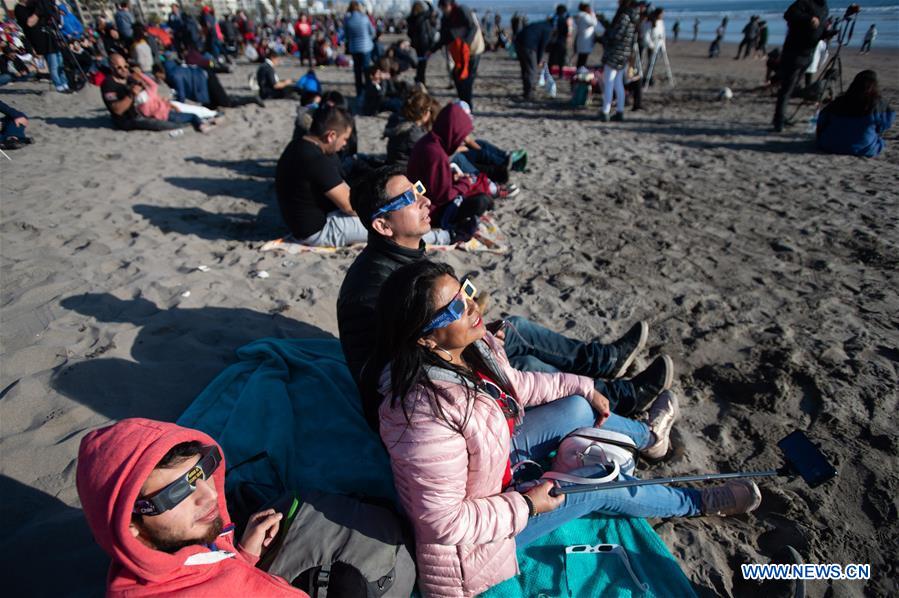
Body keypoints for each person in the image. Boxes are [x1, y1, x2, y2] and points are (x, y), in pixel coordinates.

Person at [369, 260, 762, 597]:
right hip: (473, 545)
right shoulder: (420, 413)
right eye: (454, 307)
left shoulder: (471, 347)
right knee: (596, 479)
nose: (472, 306)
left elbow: (518, 386)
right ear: (425, 338)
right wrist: (526, 505)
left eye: (465, 291)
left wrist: (583, 385)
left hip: (494, 465)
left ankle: (648, 436)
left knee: (575, 406)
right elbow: (444, 522)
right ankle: (700, 503)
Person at [339, 169, 668, 420]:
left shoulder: (403, 255)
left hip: (438, 362)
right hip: (417, 398)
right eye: (410, 198)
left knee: (513, 329)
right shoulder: (373, 291)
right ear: (383, 226)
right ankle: (617, 395)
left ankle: (604, 363)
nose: (425, 200)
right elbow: (406, 368)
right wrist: (475, 343)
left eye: (418, 189)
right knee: (522, 359)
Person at [76, 418, 415, 597]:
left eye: (203, 471)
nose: (209, 496)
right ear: (130, 523)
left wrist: (242, 555)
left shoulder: (178, 550)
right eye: (175, 493)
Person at [275, 104, 366, 247]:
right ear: (331, 136)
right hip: (317, 231)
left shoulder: (296, 145)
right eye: (345, 139)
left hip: (299, 224)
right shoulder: (316, 160)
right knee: (389, 226)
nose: (345, 144)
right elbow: (350, 206)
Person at [772, 0, 829, 132]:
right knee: (787, 88)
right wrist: (809, 18)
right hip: (794, 53)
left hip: (808, 54)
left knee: (793, 88)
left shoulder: (824, 7)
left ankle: (781, 117)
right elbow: (789, 14)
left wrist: (826, 33)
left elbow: (819, 28)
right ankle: (778, 121)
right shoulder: (805, 2)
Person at [101, 53, 190, 132]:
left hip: (141, 111)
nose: (124, 69)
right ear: (111, 68)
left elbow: (149, 89)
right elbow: (117, 110)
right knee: (165, 125)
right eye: (119, 67)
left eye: (125, 66)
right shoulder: (109, 84)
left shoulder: (128, 78)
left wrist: (141, 80)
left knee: (172, 115)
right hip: (127, 120)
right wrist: (131, 95)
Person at [816, 70, 894, 158]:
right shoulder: (878, 103)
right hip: (862, 147)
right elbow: (886, 124)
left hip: (829, 145)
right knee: (879, 141)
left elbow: (821, 120)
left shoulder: (840, 101)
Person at [154, 61, 263, 109]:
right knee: (212, 105)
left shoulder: (174, 75)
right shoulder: (172, 70)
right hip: (204, 78)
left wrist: (174, 106)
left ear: (160, 72)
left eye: (157, 76)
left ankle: (253, 99)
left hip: (207, 79)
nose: (158, 79)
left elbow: (181, 95)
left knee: (225, 102)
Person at [14, 0, 69, 93]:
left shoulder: (34, 5)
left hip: (49, 35)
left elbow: (51, 15)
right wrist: (38, 11)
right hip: (39, 40)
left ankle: (65, 84)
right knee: (53, 64)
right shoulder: (19, 8)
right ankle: (59, 86)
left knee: (60, 62)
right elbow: (30, 23)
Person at [435, 0, 481, 109]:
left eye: (444, 7)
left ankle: (468, 106)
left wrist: (465, 44)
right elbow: (443, 38)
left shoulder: (462, 10)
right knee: (458, 78)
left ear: (450, 5)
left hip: (473, 50)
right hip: (457, 52)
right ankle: (463, 104)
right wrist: (432, 49)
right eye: (441, 8)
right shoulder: (445, 18)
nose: (443, 10)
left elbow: (473, 27)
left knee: (467, 79)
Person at [599, 0, 639, 122]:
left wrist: (605, 33)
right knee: (618, 83)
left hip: (615, 53)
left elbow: (616, 35)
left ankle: (605, 111)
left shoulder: (624, 17)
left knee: (609, 82)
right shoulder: (633, 17)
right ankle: (619, 111)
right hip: (625, 53)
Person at [514, 18, 554, 100]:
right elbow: (542, 46)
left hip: (518, 42)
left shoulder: (540, 24)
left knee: (525, 68)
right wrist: (538, 60)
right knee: (532, 70)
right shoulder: (548, 29)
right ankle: (529, 93)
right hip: (528, 45)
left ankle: (526, 91)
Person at [345, 1, 375, 97]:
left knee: (357, 72)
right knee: (366, 70)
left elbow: (346, 35)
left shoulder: (348, 20)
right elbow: (372, 32)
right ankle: (368, 92)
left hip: (354, 48)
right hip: (366, 47)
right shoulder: (364, 18)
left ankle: (359, 92)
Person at [548, 4, 571, 73]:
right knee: (561, 57)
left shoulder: (553, 19)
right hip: (561, 40)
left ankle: (549, 72)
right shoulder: (564, 20)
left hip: (552, 40)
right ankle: (560, 73)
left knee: (552, 57)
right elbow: (566, 31)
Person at [574, 3, 597, 68]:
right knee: (583, 58)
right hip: (586, 40)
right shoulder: (585, 16)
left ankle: (579, 70)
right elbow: (594, 23)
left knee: (581, 58)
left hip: (580, 39)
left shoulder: (579, 16)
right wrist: (593, 14)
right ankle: (580, 72)